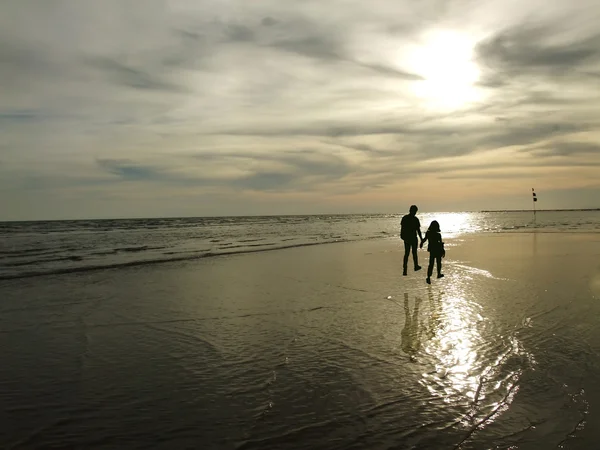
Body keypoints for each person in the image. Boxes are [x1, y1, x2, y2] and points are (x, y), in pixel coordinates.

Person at [420, 220, 445, 284]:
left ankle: (428, 277)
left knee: (431, 264)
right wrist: (443, 250)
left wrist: (421, 243)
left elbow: (425, 239)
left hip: (432, 250)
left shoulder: (428, 233)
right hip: (438, 249)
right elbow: (441, 243)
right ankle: (438, 274)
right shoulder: (438, 235)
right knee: (438, 262)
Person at [400, 205, 422, 275]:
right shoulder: (415, 219)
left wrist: (402, 236)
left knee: (407, 253)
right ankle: (415, 266)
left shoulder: (405, 218)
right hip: (411, 237)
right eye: (415, 211)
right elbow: (418, 230)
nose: (415, 213)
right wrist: (421, 239)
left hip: (408, 237)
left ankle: (405, 269)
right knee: (413, 253)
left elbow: (402, 229)